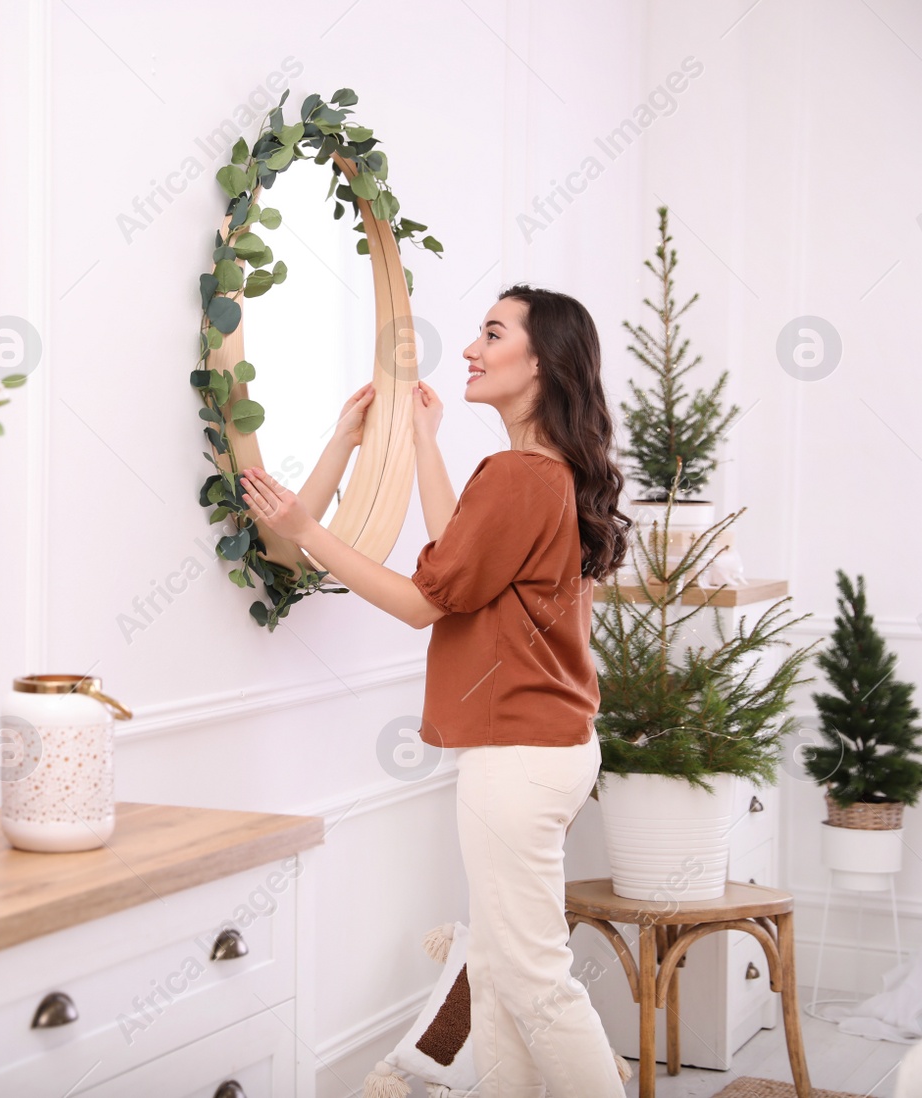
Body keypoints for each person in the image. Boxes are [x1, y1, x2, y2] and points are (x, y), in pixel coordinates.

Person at [239, 284, 633, 1097]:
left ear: (542, 363)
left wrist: (307, 530)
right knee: (495, 969)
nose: (472, 349)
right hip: (546, 749)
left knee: (530, 979)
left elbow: (425, 601)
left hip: (519, 757)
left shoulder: (523, 476)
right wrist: (423, 438)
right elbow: (461, 552)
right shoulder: (537, 476)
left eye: (493, 334)